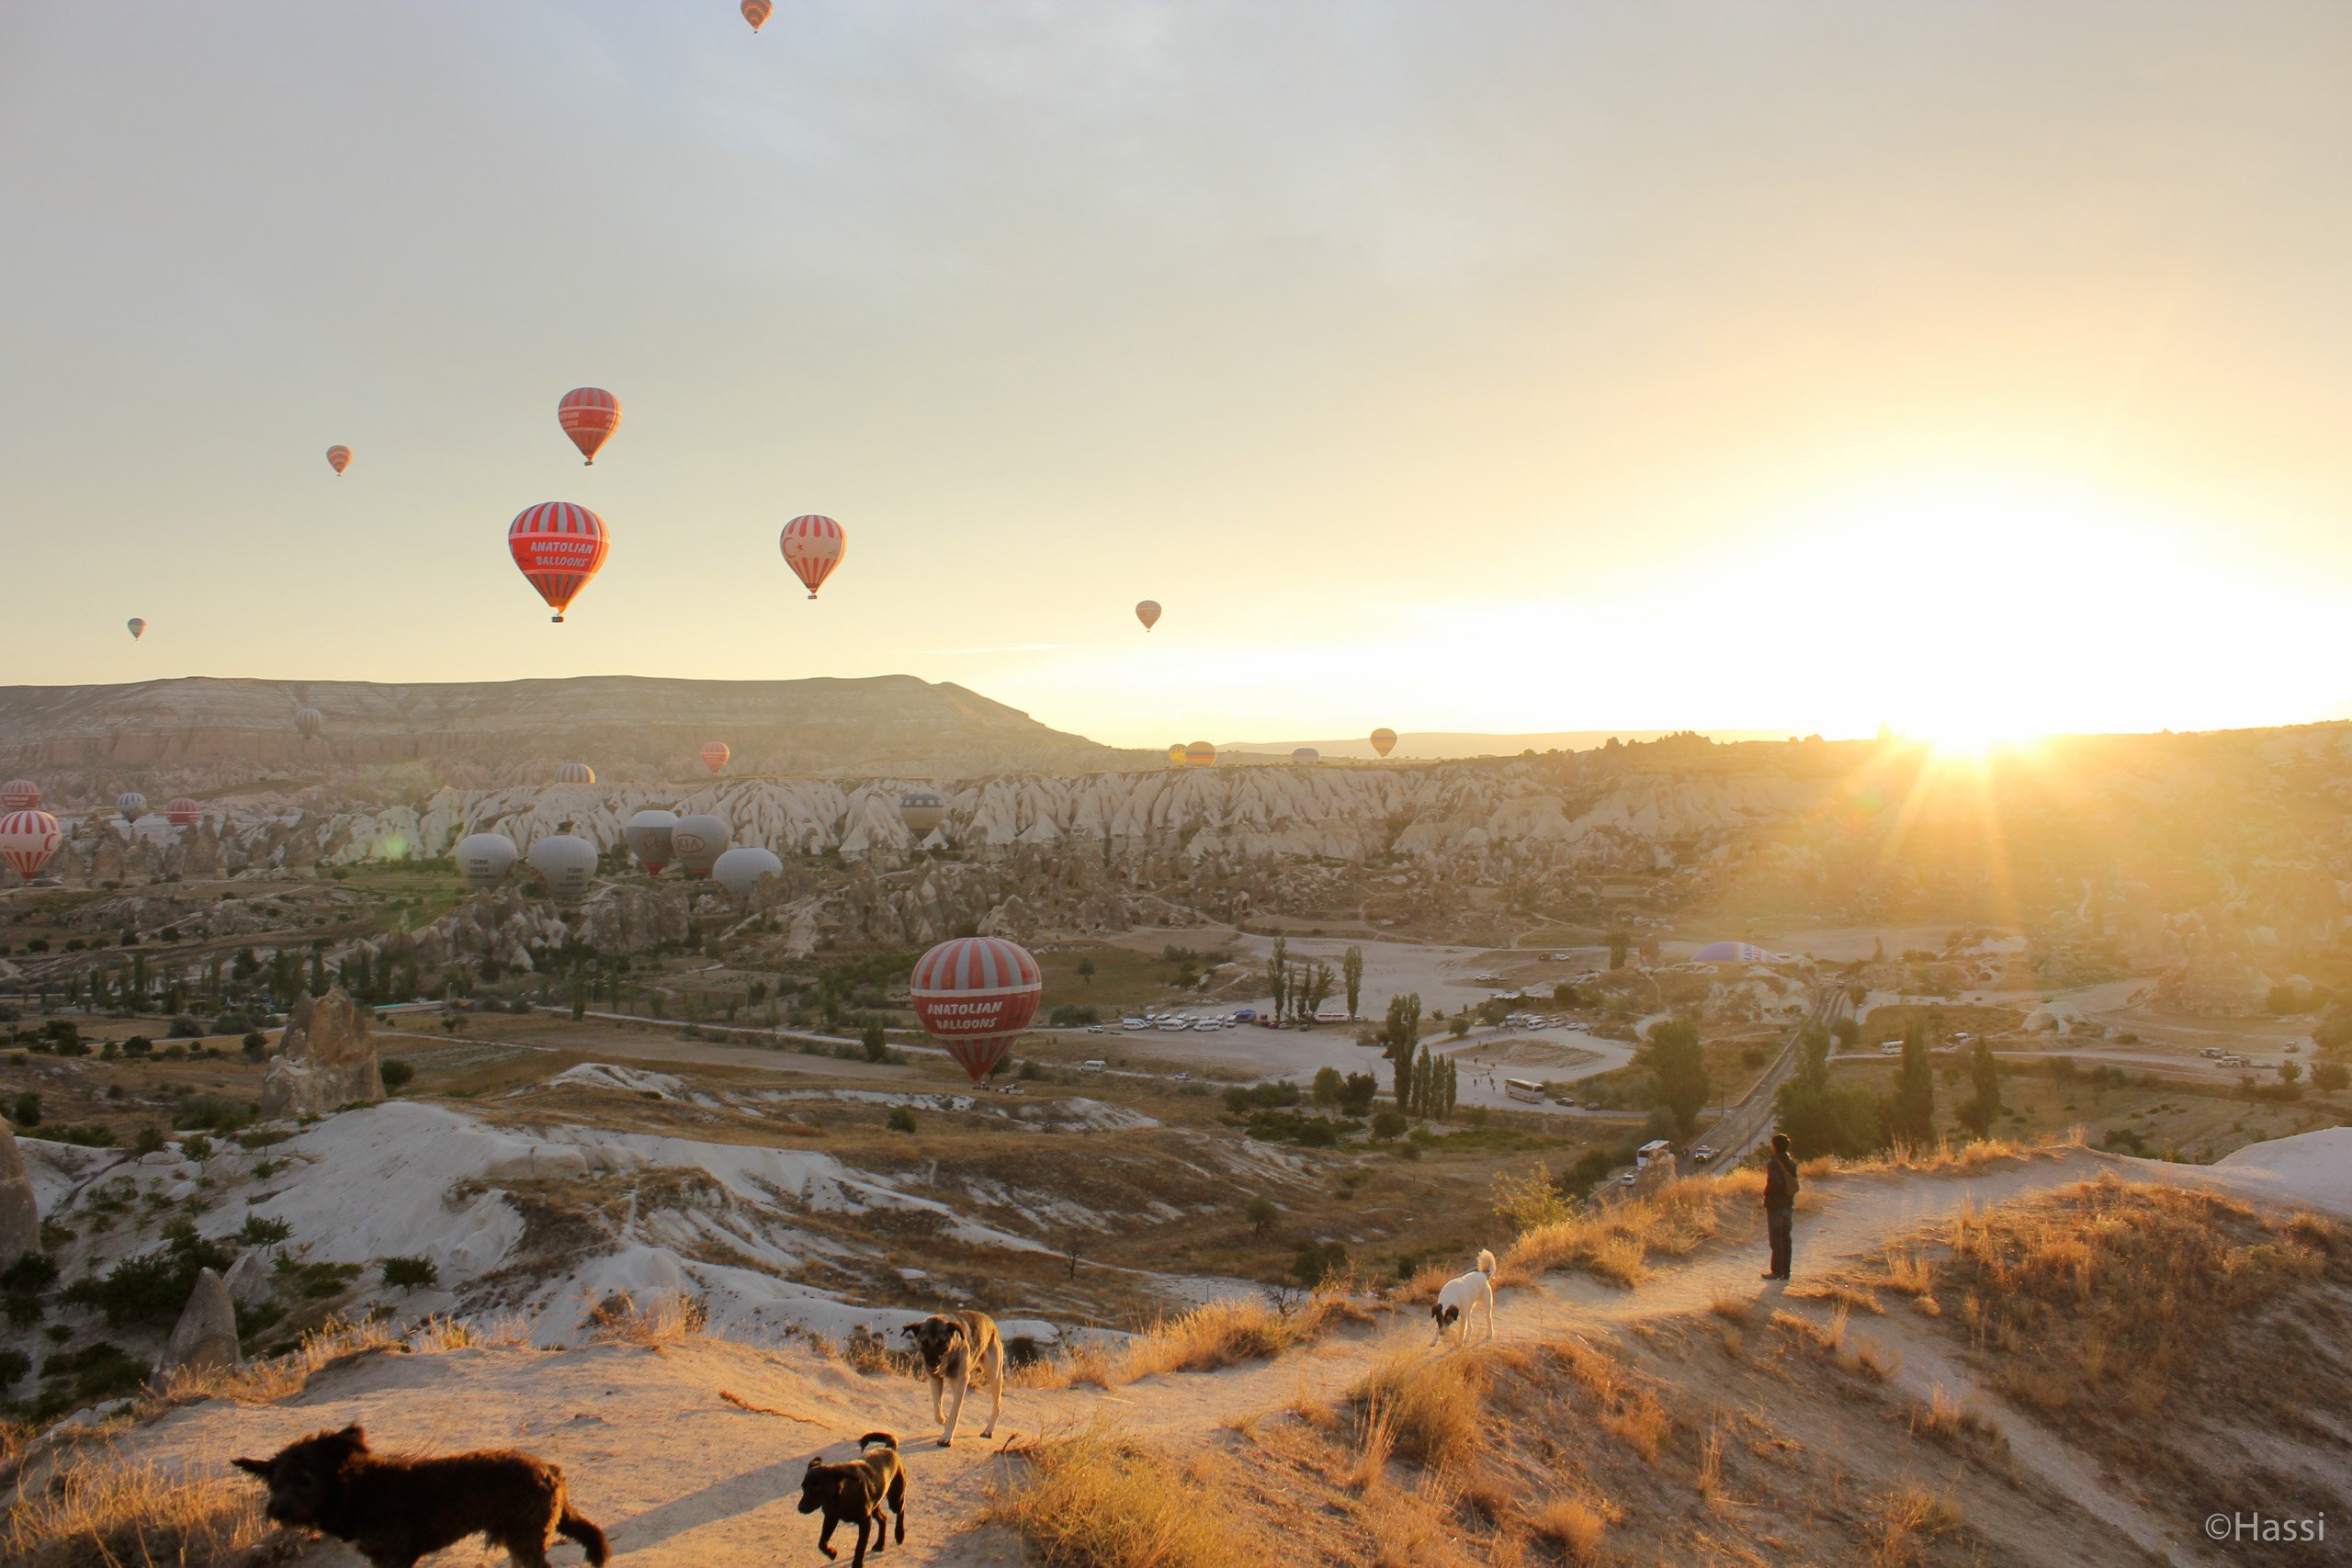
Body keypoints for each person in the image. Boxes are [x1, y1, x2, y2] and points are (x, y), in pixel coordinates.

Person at [1761, 1132, 1798, 1280]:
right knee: (1786, 1238)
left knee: (1776, 1240)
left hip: (1776, 1205)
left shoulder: (1774, 1163)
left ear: (1775, 1146)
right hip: (1788, 1204)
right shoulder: (1791, 1163)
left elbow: (1774, 1183)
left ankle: (1776, 1271)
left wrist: (1766, 1192)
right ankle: (1786, 1271)